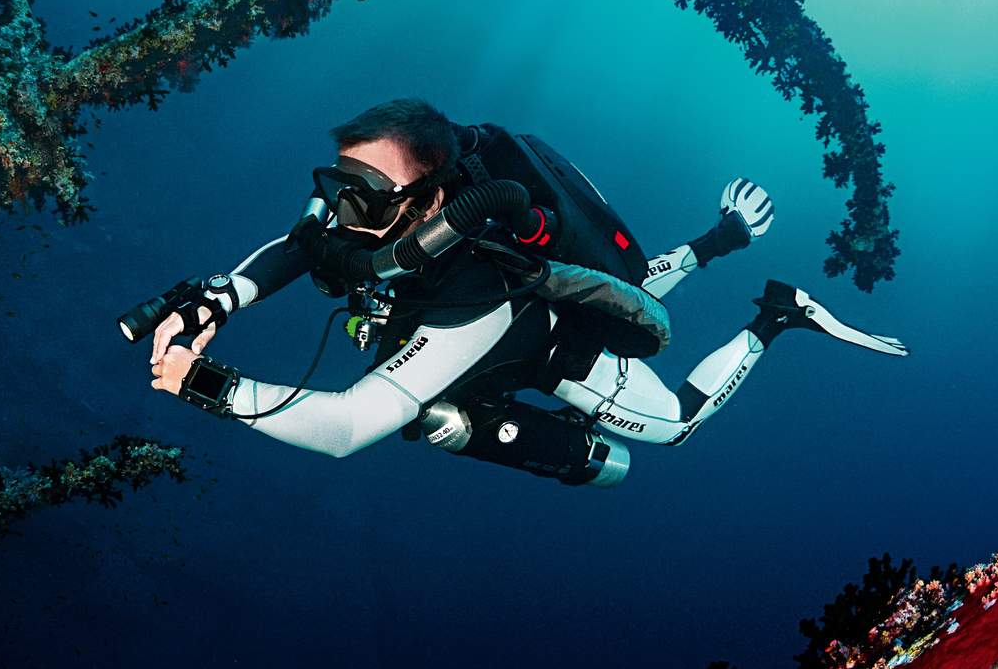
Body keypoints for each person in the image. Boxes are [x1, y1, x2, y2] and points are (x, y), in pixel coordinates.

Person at [147, 99, 907, 487]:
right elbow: (299, 244)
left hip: (563, 353)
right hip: (539, 296)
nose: (340, 212)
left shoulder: (474, 291)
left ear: (429, 200)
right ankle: (719, 241)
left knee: (673, 426)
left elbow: (347, 426)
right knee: (608, 290)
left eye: (367, 192)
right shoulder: (374, 218)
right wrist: (213, 300)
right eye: (337, 183)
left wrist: (204, 383)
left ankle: (777, 316)